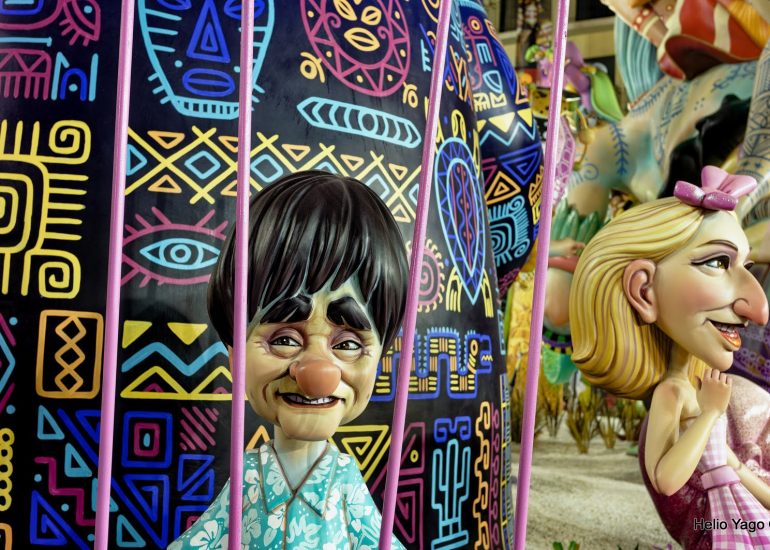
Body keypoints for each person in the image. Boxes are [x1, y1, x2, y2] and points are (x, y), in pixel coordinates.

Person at [169, 170, 408, 549]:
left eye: (347, 344)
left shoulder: (344, 483)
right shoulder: (249, 478)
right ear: (235, 357)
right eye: (283, 339)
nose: (317, 373)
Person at [569, 166, 770, 548]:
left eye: (744, 266)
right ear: (644, 291)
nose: (757, 309)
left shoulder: (698, 387)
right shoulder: (673, 393)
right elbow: (665, 480)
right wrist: (709, 414)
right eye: (718, 262)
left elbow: (730, 466)